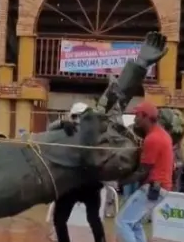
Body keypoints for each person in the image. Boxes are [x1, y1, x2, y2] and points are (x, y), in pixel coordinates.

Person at [114, 101, 174, 242]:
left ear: (146, 116)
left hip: (153, 187)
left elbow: (143, 171)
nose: (135, 118)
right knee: (135, 224)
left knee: (122, 222)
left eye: (137, 115)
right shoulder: (161, 134)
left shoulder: (152, 139)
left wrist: (120, 182)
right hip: (160, 187)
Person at [50, 102, 106, 242]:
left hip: (87, 182)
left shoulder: (96, 132)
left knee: (93, 218)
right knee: (60, 219)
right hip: (72, 183)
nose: (78, 120)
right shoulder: (66, 130)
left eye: (80, 116)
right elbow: (50, 130)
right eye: (75, 117)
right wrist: (62, 123)